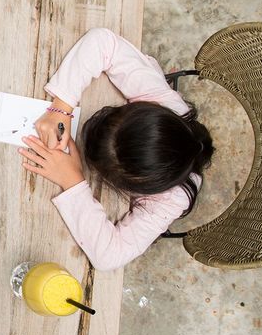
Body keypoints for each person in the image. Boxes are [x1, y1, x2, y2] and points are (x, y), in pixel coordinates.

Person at [18, 27, 214, 271]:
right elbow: (103, 42)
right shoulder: (165, 104)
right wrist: (62, 105)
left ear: (132, 186)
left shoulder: (171, 200)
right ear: (141, 109)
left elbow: (109, 257)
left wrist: (74, 181)